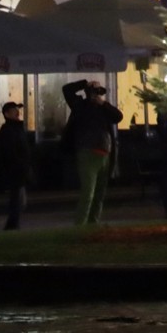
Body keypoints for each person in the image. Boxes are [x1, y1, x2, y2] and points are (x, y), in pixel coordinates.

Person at [62, 78, 123, 226]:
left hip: (104, 153)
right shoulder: (80, 105)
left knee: (99, 194)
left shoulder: (104, 108)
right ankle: (80, 224)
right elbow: (67, 89)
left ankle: (93, 223)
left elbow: (118, 116)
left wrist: (103, 103)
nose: (96, 95)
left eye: (98, 92)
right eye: (93, 91)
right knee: (88, 192)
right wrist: (84, 83)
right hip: (87, 152)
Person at [0, 101, 34, 230]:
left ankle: (12, 226)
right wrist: (21, 165)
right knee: (18, 201)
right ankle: (12, 226)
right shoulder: (9, 130)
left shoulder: (15, 129)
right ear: (7, 114)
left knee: (19, 200)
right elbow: (11, 152)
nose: (17, 112)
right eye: (14, 110)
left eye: (17, 109)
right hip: (16, 171)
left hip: (19, 170)